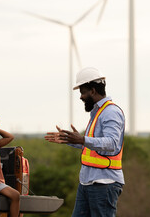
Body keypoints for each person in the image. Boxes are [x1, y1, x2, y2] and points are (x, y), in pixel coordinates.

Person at [45, 67, 125, 217]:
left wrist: (82, 139)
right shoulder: (97, 113)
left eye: (82, 92)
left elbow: (112, 143)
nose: (81, 97)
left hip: (104, 183)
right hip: (88, 181)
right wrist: (70, 140)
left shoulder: (111, 112)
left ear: (93, 91)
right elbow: (91, 145)